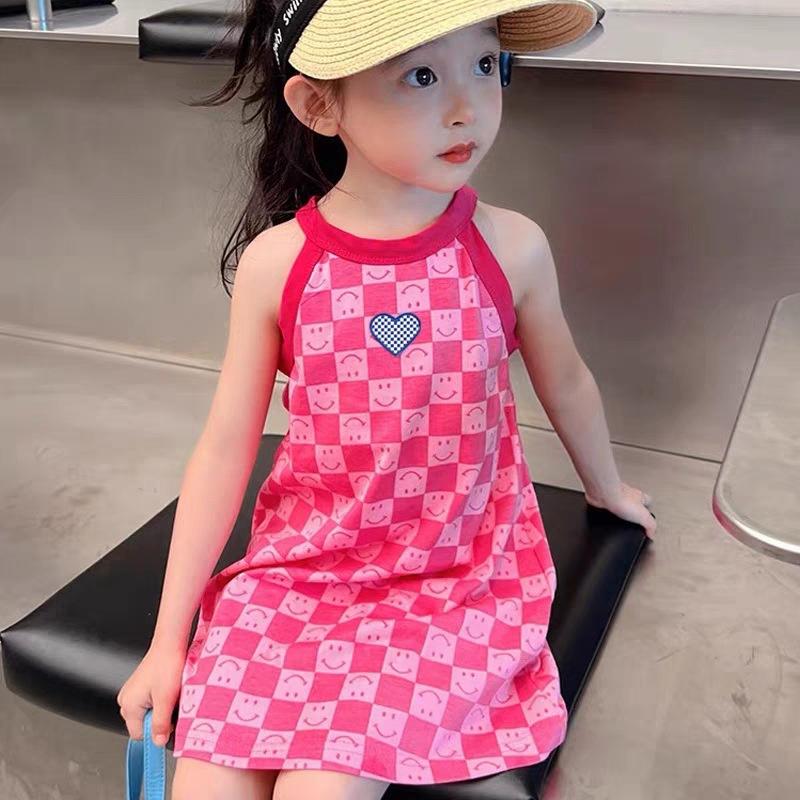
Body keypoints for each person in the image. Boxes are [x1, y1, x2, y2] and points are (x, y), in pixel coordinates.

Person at [117, 1, 657, 797]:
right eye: (421, 76)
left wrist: (606, 488)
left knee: (323, 788)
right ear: (319, 105)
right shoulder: (278, 264)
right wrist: (169, 643)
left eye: (486, 64)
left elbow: (566, 380)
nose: (467, 107)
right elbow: (226, 447)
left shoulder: (511, 247)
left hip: (451, 579)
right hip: (302, 572)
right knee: (202, 785)